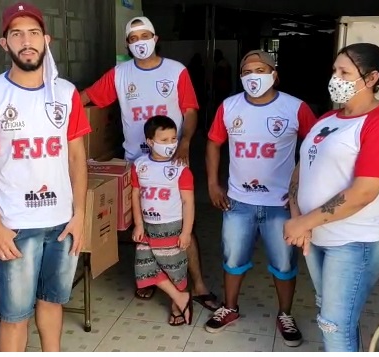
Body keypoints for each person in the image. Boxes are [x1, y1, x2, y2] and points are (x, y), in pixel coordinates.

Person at [0, 2, 91, 352]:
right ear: (4, 43)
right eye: (16, 34)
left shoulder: (65, 93)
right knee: (15, 315)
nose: (26, 40)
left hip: (63, 223)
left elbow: (77, 157)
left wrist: (79, 215)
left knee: (53, 302)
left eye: (33, 33)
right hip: (16, 226)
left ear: (46, 40)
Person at [80, 16, 220, 311]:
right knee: (143, 226)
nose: (140, 42)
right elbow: (89, 97)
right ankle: (148, 280)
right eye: (133, 39)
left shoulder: (176, 71)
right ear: (128, 45)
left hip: (173, 161)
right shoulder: (120, 74)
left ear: (155, 39)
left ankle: (197, 285)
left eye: (145, 36)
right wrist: (53, 108)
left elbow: (191, 110)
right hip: (137, 162)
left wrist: (184, 142)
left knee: (182, 224)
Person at [284, 43, 379, 352]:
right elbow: (303, 166)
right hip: (317, 236)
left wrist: (304, 223)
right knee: (332, 314)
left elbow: (362, 193)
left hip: (355, 242)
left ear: (371, 78)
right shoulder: (327, 118)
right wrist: (298, 217)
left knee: (334, 324)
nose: (335, 78)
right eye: (334, 71)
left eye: (344, 72)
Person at [205, 50, 317, 347]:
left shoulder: (295, 108)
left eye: (260, 69)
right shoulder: (229, 107)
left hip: (280, 204)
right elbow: (214, 144)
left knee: (283, 262)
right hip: (238, 201)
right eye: (246, 71)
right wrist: (213, 184)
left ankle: (285, 314)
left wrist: (301, 188)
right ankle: (230, 308)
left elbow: (317, 146)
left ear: (274, 74)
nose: (253, 76)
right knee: (233, 258)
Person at [131, 115, 195, 326]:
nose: (170, 144)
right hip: (147, 228)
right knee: (144, 267)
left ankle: (177, 304)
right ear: (150, 141)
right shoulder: (139, 165)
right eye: (164, 140)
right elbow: (135, 194)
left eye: (173, 139)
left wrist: (186, 232)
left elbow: (188, 203)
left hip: (171, 227)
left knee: (175, 268)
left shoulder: (181, 168)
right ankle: (180, 297)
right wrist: (139, 223)